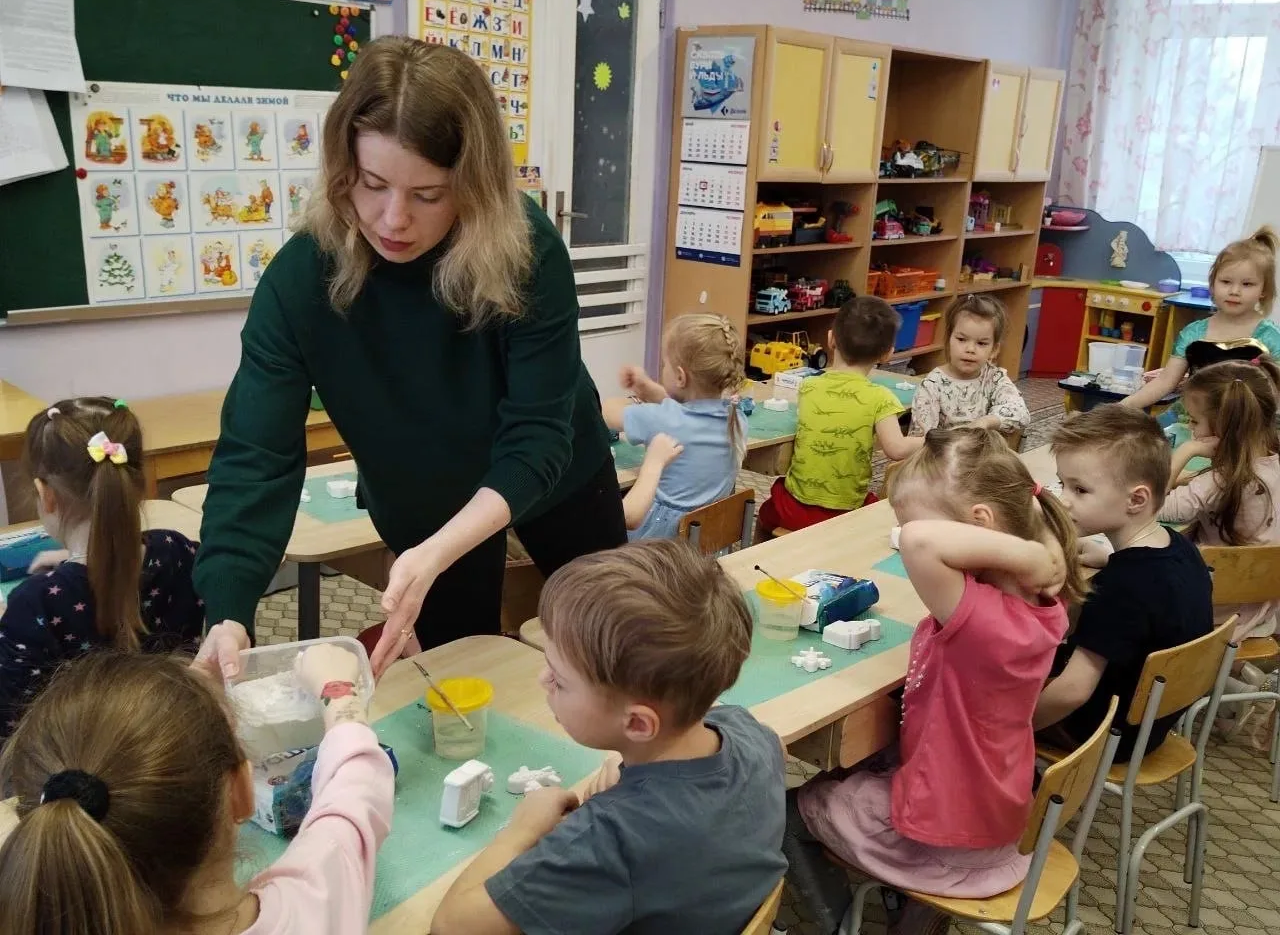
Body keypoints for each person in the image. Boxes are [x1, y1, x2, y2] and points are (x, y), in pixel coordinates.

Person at [191, 38, 626, 673]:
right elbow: (255, 457)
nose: (393, 219)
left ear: (474, 187)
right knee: (456, 672)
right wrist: (227, 612)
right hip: (424, 496)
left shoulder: (526, 249)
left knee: (613, 644)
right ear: (342, 168)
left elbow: (538, 437)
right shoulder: (299, 281)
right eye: (372, 184)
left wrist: (437, 550)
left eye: (428, 194)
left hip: (556, 473)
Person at [788, 428, 1080, 934]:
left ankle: (846, 921)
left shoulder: (985, 619)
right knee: (861, 761)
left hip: (951, 836)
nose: (904, 536)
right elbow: (1026, 508)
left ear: (981, 526)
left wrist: (1028, 555)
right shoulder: (1042, 603)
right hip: (995, 809)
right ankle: (915, 907)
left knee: (794, 808)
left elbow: (920, 543)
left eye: (910, 522)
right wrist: (1033, 552)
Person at [432, 540, 787, 935]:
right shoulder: (747, 731)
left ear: (638, 725)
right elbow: (770, 747)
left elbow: (451, 927)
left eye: (559, 680)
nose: (542, 680)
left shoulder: (610, 839)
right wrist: (628, 763)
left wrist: (522, 831)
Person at [0, 642, 392, 934]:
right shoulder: (314, 905)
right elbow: (355, 792)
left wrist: (186, 699)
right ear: (242, 792)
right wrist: (338, 689)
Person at [0, 397, 246, 737]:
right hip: (174, 738)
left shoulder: (35, 603)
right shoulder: (176, 551)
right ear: (137, 484)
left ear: (45, 495)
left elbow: (11, 724)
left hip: (83, 760)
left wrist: (11, 622)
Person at [1035, 405, 1213, 761]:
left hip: (1106, 732)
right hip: (1152, 721)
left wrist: (1011, 729)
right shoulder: (1179, 548)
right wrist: (1108, 557)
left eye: (1080, 490)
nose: (1063, 500)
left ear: (1136, 499)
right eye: (1062, 484)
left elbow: (1073, 691)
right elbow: (1153, 589)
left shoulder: (1121, 588)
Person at [756, 297, 923, 536]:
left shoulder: (808, 387)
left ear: (831, 339)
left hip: (794, 510)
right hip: (845, 515)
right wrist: (931, 438)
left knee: (767, 507)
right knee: (877, 510)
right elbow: (896, 448)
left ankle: (756, 553)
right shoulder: (881, 397)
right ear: (888, 354)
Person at [1159, 358, 1280, 640]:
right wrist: (1184, 479)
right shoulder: (1269, 466)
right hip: (1260, 603)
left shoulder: (1221, 481)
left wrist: (1186, 451)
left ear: (1224, 427)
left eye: (1194, 421)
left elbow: (1154, 506)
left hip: (1214, 609)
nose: (1191, 429)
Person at [602, 313, 747, 539]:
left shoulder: (662, 420)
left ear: (680, 377)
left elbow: (606, 412)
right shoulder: (736, 419)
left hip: (654, 544)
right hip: (703, 544)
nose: (662, 369)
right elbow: (683, 411)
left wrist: (637, 400)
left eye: (664, 364)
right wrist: (649, 389)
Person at [1123, 226, 1280, 414]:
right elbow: (1165, 381)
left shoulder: (1270, 337)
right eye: (1226, 282)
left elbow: (1274, 394)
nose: (1234, 291)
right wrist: (1122, 407)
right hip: (1191, 419)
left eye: (1247, 284)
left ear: (1264, 290)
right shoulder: (1193, 333)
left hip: (1243, 422)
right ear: (1212, 284)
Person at [908, 293, 1030, 437]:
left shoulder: (994, 378)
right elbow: (922, 437)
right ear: (948, 340)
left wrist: (986, 422)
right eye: (961, 339)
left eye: (981, 343)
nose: (970, 349)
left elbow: (1021, 412)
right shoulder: (933, 384)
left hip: (985, 450)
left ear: (994, 350)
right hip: (945, 449)